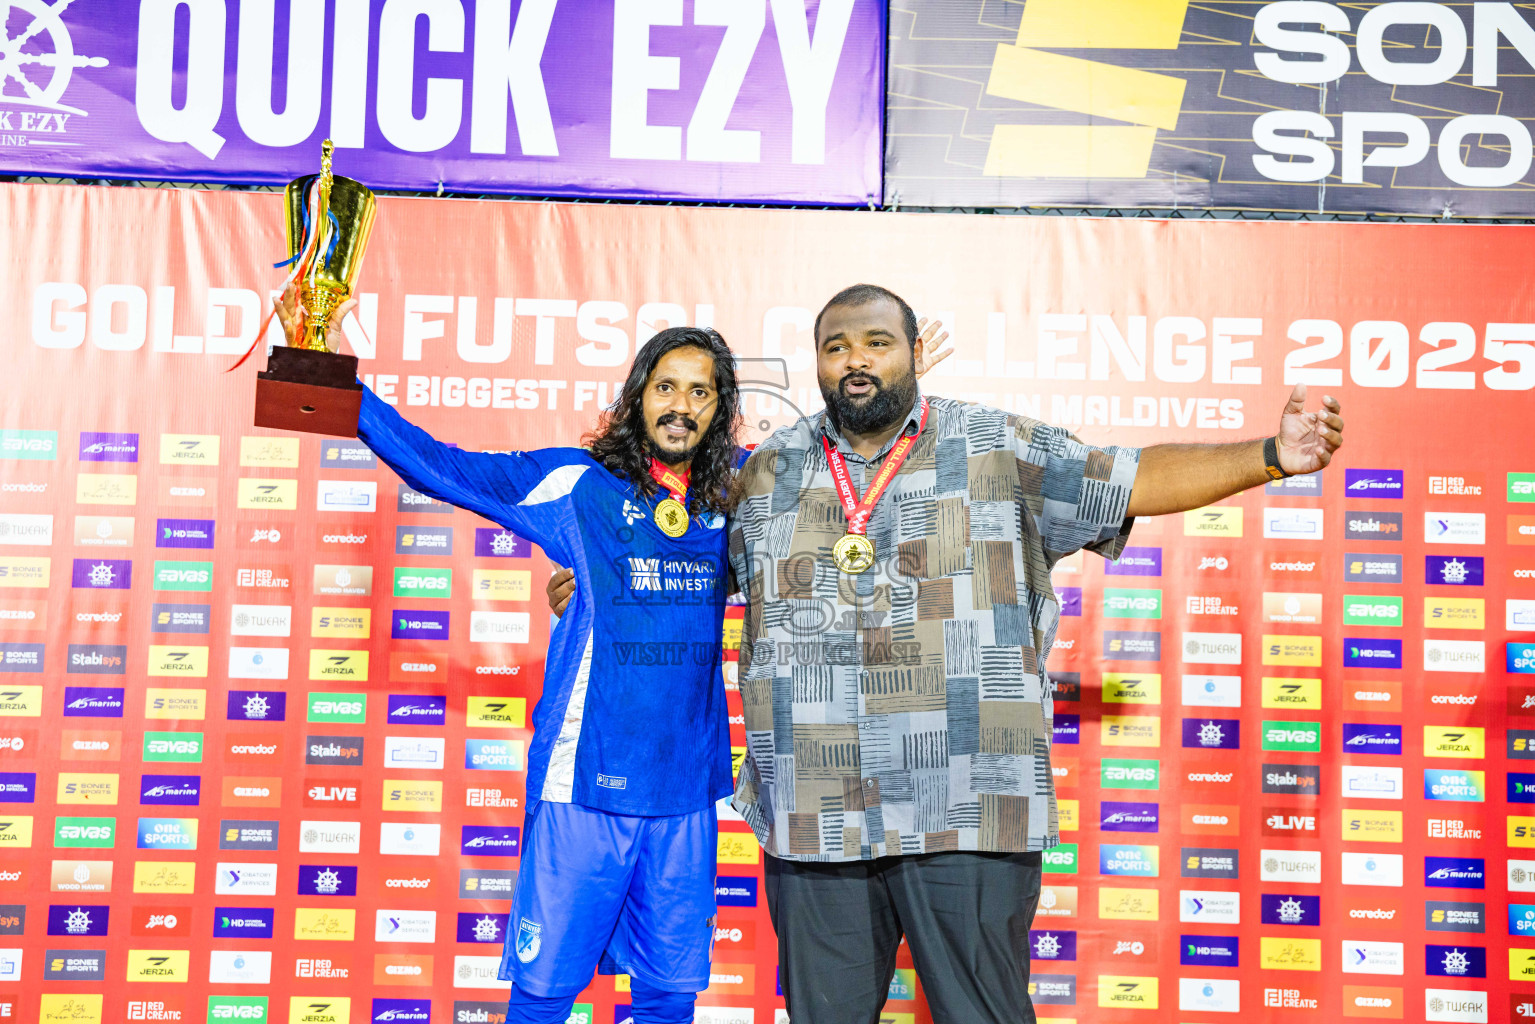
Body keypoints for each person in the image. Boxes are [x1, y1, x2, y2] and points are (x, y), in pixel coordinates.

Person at [721, 283, 1344, 1023]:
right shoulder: (765, 471)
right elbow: (683, 572)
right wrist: (591, 585)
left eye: (876, 343)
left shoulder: (996, 444)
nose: (856, 361)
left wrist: (1272, 455)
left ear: (916, 353)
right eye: (836, 347)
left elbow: (1132, 477)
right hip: (812, 808)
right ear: (817, 364)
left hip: (969, 796)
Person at [272, 288, 741, 1024]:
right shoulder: (576, 482)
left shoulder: (739, 492)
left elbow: (833, 486)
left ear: (719, 408)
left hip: (685, 793)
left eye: (700, 391)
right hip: (582, 784)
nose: (681, 405)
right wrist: (329, 376)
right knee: (544, 995)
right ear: (637, 396)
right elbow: (440, 466)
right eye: (665, 387)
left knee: (668, 997)